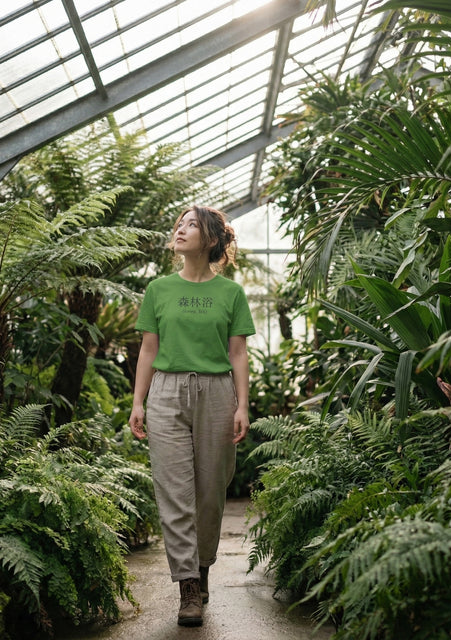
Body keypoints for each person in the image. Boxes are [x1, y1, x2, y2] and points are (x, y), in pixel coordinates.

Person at [129, 205, 255, 627]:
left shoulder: (231, 294)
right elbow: (148, 349)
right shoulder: (158, 290)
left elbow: (238, 353)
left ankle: (202, 569)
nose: (181, 230)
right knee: (174, 491)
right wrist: (138, 402)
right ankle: (187, 588)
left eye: (191, 225)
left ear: (212, 239)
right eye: (179, 224)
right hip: (166, 392)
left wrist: (242, 404)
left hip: (217, 393)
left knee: (209, 494)